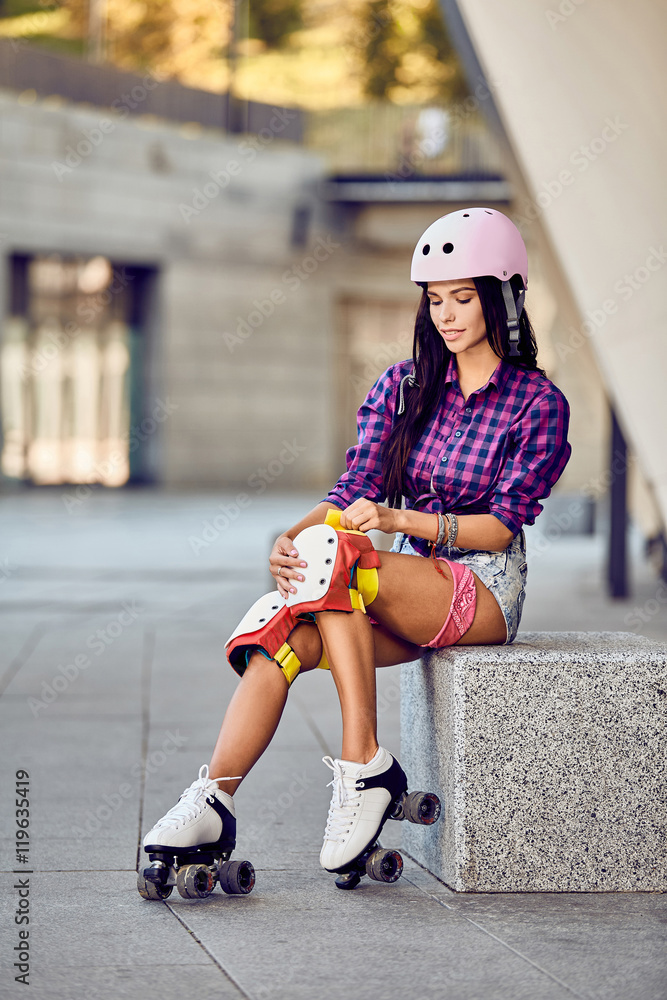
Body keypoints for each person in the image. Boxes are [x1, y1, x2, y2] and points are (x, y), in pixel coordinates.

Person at [139, 207, 571, 892]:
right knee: (279, 624)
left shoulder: (535, 403)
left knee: (343, 562)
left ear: (501, 298)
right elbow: (352, 492)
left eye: (463, 297)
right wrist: (295, 536)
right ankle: (213, 802)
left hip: (479, 590)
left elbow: (500, 526)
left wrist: (401, 519)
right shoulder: (404, 387)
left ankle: (361, 764)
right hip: (397, 588)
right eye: (434, 300)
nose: (446, 315)